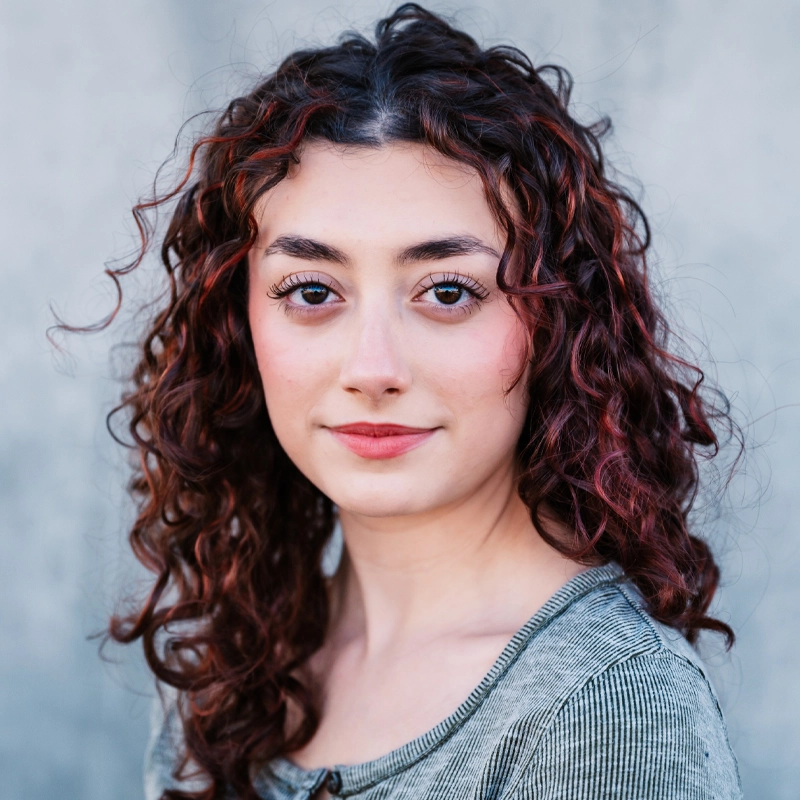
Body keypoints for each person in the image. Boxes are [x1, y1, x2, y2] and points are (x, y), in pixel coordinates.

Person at [99, 4, 742, 798]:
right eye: (310, 290)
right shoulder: (234, 660)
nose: (373, 368)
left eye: (446, 291)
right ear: (240, 322)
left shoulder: (605, 708)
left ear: (556, 324)